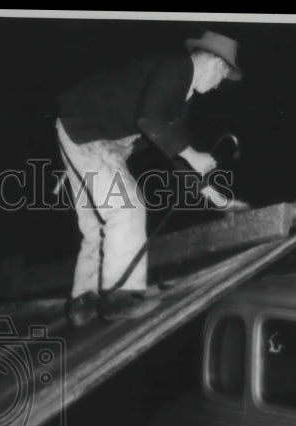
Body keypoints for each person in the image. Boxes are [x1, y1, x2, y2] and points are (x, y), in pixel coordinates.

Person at [56, 31, 242, 325]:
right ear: (216, 64)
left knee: (97, 222)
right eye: (221, 76)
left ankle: (83, 302)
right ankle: (120, 297)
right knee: (127, 207)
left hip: (77, 128)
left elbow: (174, 151)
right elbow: (150, 120)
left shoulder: (181, 96)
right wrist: (192, 154)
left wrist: (216, 198)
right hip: (90, 132)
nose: (219, 84)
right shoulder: (175, 69)